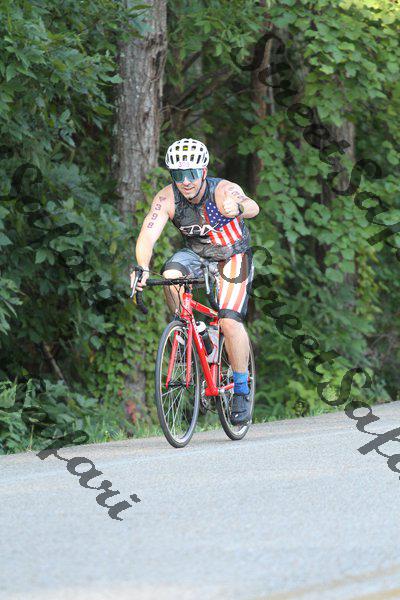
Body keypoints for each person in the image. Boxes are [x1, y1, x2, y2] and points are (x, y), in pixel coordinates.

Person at [131, 138, 259, 424]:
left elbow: (253, 206)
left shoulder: (221, 190)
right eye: (178, 175)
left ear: (203, 171)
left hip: (232, 255)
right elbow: (147, 236)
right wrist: (141, 267)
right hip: (197, 255)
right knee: (169, 275)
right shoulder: (167, 198)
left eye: (191, 173)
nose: (186, 181)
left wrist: (238, 208)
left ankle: (241, 388)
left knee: (229, 321)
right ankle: (191, 330)